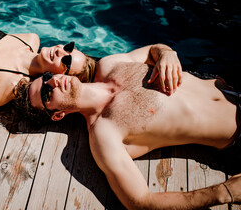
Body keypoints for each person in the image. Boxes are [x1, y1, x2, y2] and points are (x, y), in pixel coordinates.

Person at [14, 45, 241, 209]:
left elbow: (154, 49)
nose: (52, 81)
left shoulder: (109, 64)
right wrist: (223, 192)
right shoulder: (104, 134)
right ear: (58, 115)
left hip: (227, 85)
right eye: (46, 92)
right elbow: (139, 202)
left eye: (46, 77)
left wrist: (166, 53)